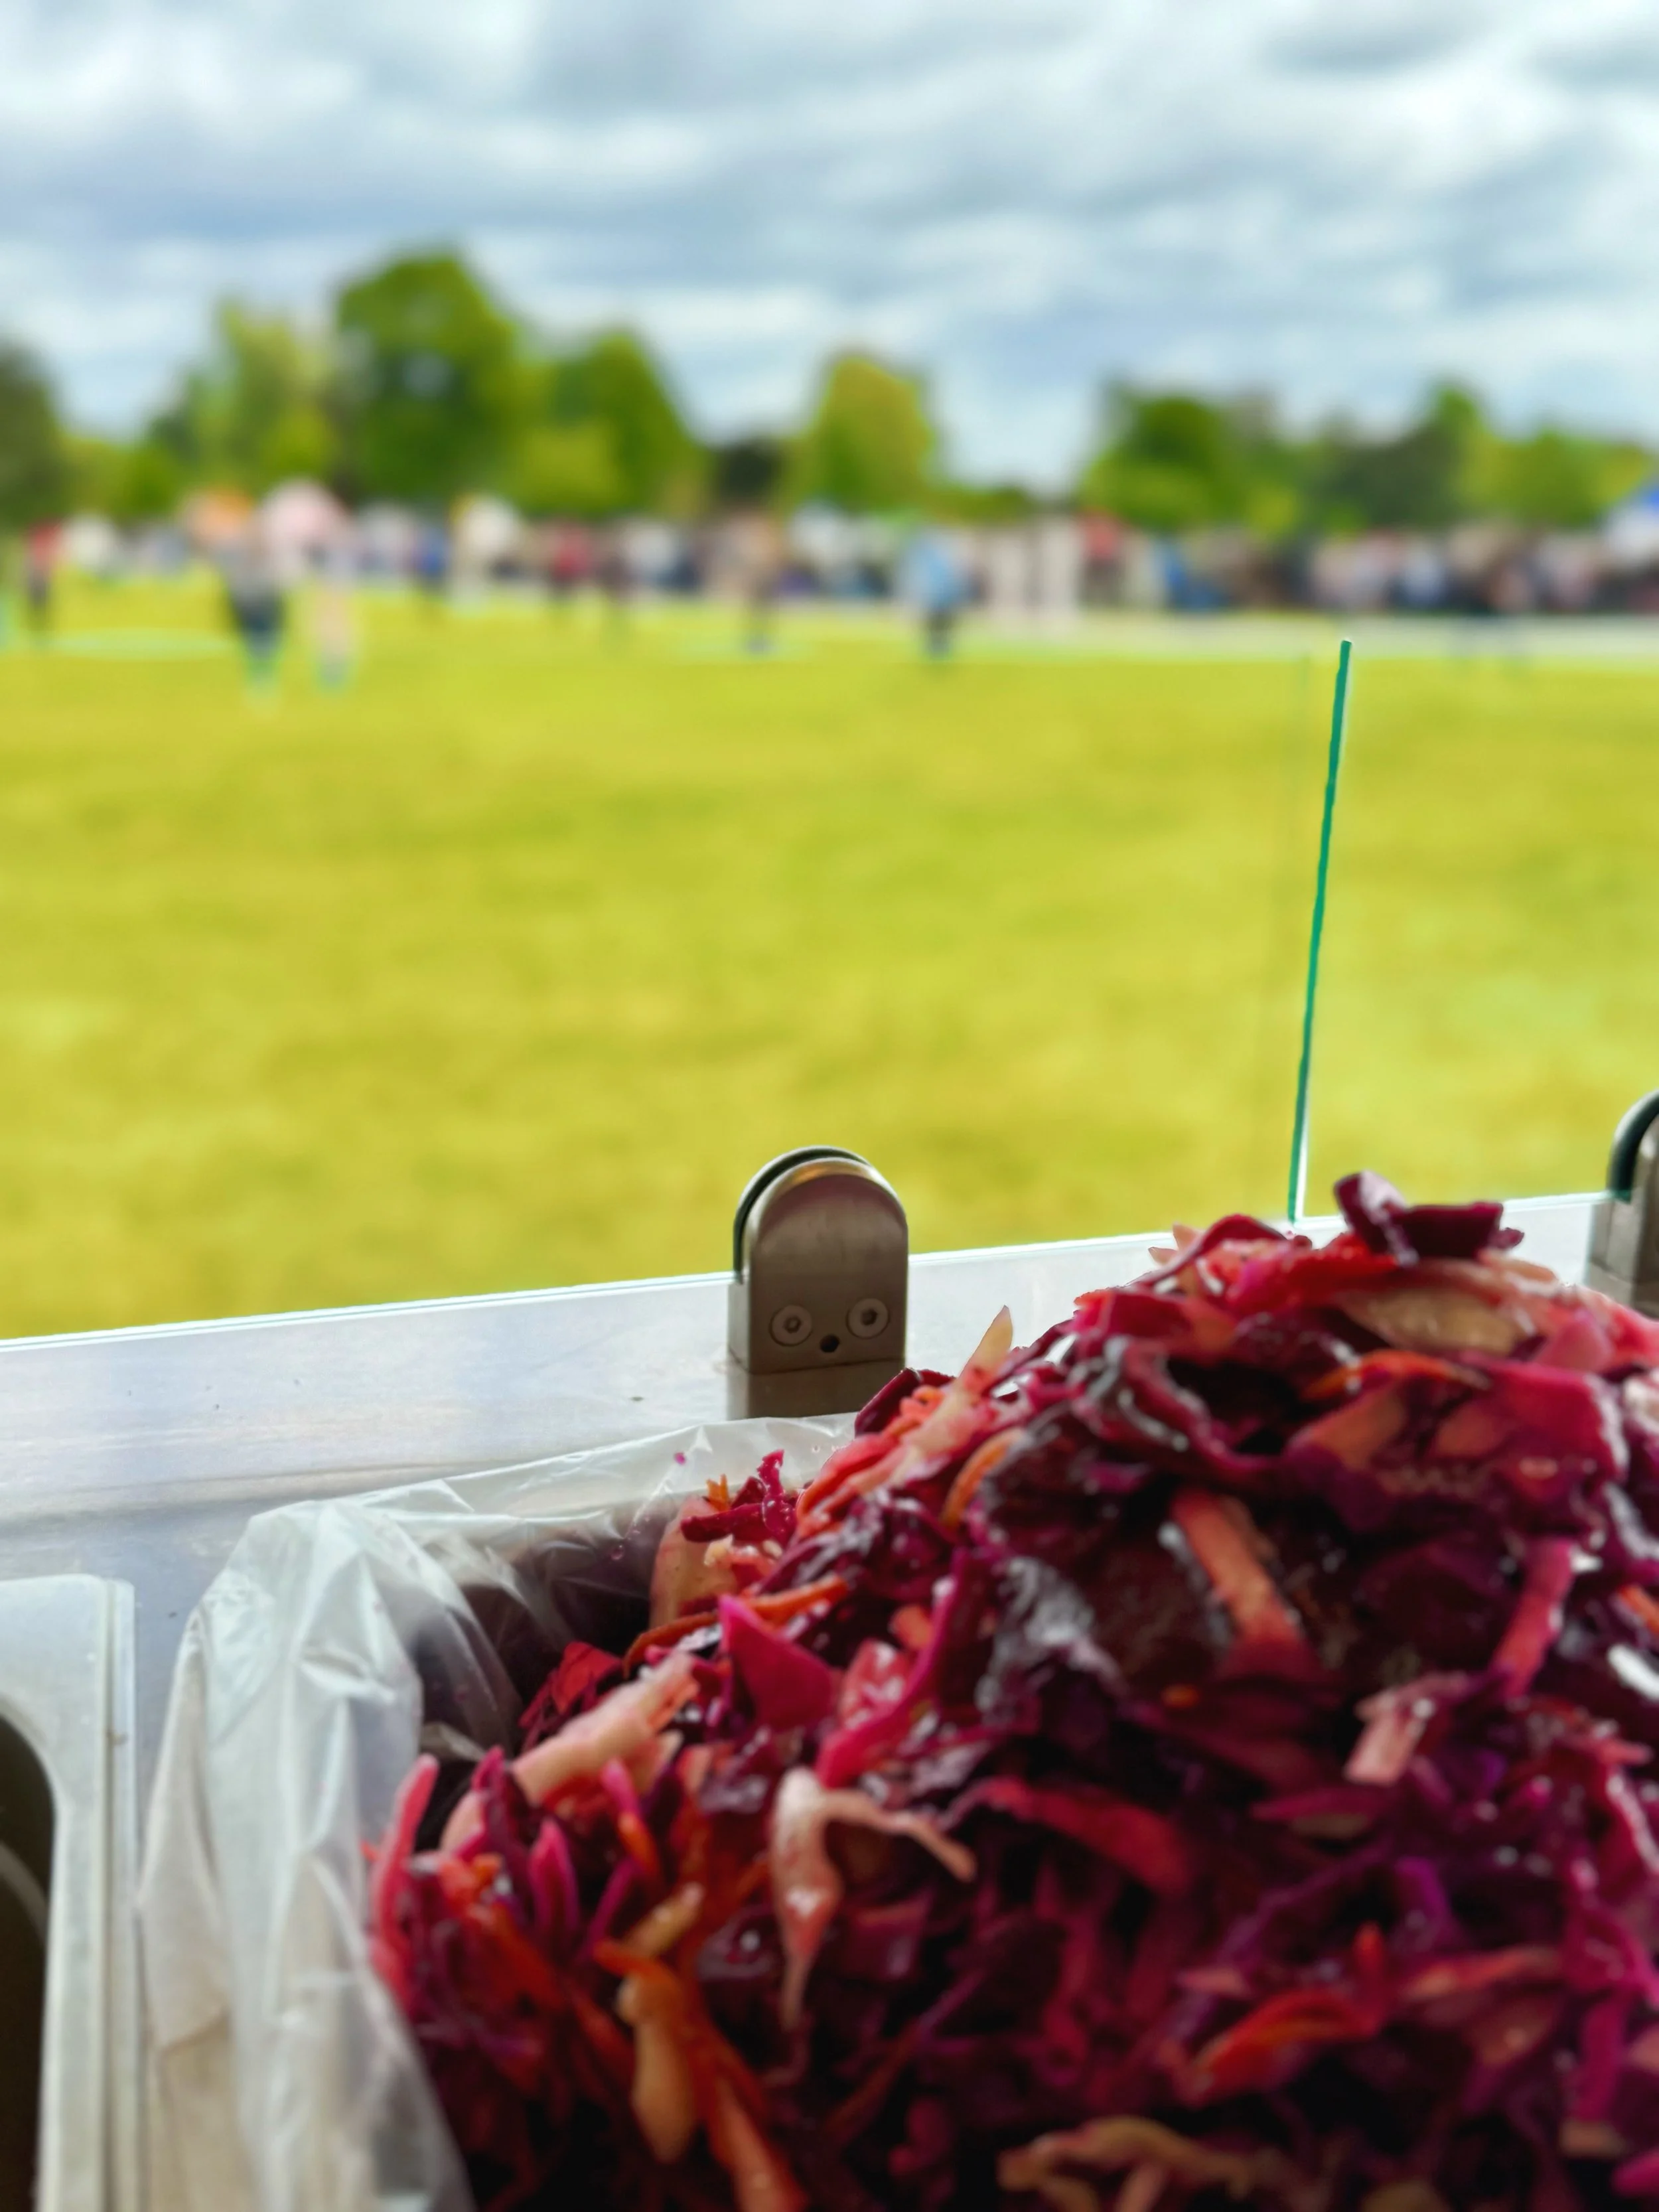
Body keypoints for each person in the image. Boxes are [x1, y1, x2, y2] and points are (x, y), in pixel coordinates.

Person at [221, 529, 287, 692]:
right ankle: (257, 679)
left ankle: (264, 679)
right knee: (253, 647)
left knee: (265, 647)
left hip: (263, 609)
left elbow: (275, 590)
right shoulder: (243, 565)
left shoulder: (267, 564)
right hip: (250, 609)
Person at [904, 526, 967, 658]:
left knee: (939, 623)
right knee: (938, 623)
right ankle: (937, 648)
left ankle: (938, 648)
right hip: (939, 596)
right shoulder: (935, 555)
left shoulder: (934, 555)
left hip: (940, 596)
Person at [22, 522, 58, 637]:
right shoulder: (35, 546)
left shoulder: (41, 546)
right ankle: (35, 628)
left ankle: (41, 628)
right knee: (35, 606)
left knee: (42, 607)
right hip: (36, 580)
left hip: (41, 581)